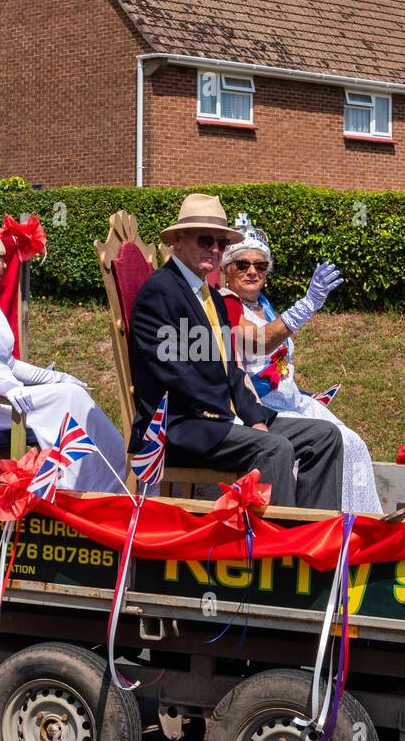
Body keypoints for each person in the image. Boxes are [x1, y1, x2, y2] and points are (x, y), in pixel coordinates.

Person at [126, 193, 344, 511]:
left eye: (221, 243)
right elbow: (175, 374)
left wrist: (254, 417)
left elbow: (232, 370)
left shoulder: (211, 297)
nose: (215, 250)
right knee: (275, 448)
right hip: (180, 427)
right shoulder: (160, 292)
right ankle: (276, 548)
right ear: (179, 241)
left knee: (325, 437)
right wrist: (232, 417)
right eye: (206, 240)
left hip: (217, 421)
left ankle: (312, 540)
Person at [0, 224, 126, 494]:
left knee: (72, 392)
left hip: (7, 396)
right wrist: (4, 386)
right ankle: (82, 489)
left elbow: (9, 364)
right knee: (69, 399)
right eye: (0, 258)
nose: (5, 265)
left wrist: (58, 377)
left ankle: (116, 481)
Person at [219, 219, 382, 514]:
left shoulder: (262, 304)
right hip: (255, 405)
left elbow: (278, 359)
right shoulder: (226, 302)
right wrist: (308, 304)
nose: (252, 271)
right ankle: (316, 523)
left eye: (260, 265)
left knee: (354, 443)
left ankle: (352, 526)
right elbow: (258, 343)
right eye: (242, 264)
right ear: (226, 269)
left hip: (287, 397)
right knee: (339, 441)